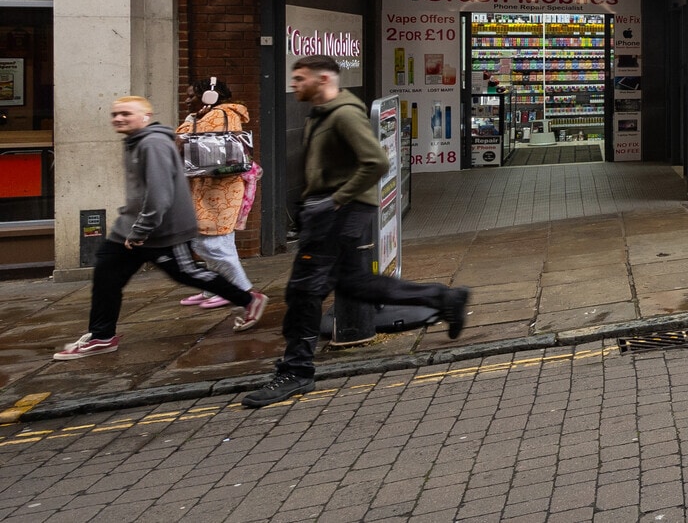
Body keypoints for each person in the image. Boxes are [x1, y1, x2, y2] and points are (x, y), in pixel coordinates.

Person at [242, 55, 469, 408]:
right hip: (330, 210)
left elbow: (376, 161)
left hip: (338, 212)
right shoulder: (322, 114)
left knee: (305, 290)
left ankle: (296, 371)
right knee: (356, 284)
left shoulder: (344, 114)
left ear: (323, 79)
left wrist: (335, 199)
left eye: (301, 78)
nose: (295, 84)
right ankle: (443, 299)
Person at [53, 96, 266, 360]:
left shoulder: (152, 144)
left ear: (145, 116)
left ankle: (248, 299)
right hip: (131, 229)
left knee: (187, 274)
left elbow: (159, 194)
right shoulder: (135, 141)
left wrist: (141, 230)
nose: (119, 118)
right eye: (115, 114)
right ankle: (101, 336)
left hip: (163, 229)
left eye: (126, 114)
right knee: (106, 275)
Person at [175, 77, 255, 308]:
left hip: (219, 191)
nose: (187, 99)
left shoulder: (219, 115)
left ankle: (239, 290)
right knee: (216, 241)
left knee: (213, 243)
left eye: (192, 95)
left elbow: (182, 140)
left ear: (209, 96)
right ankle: (214, 289)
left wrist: (191, 121)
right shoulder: (208, 115)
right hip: (209, 187)